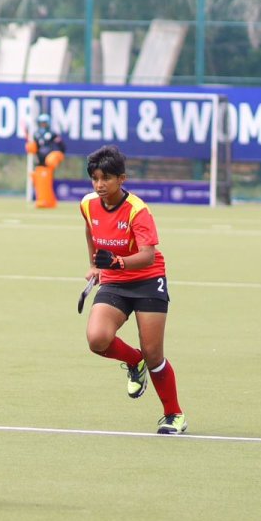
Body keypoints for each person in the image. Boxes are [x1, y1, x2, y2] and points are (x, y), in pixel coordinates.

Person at [81, 144, 186, 435]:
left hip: (148, 279)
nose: (100, 185)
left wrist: (115, 261)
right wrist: (94, 264)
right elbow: (90, 228)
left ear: (121, 179)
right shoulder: (88, 203)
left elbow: (148, 255)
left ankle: (174, 415)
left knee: (155, 355)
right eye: (95, 178)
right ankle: (132, 359)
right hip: (115, 280)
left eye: (106, 179)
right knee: (97, 339)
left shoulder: (138, 211)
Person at [26, 112, 66, 208]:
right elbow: (35, 148)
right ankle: (43, 200)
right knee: (38, 182)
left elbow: (61, 147)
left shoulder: (52, 134)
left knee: (46, 183)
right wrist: (31, 147)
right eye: (41, 123)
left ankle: (47, 201)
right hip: (39, 162)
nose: (43, 125)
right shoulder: (36, 134)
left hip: (48, 163)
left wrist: (56, 155)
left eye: (45, 123)